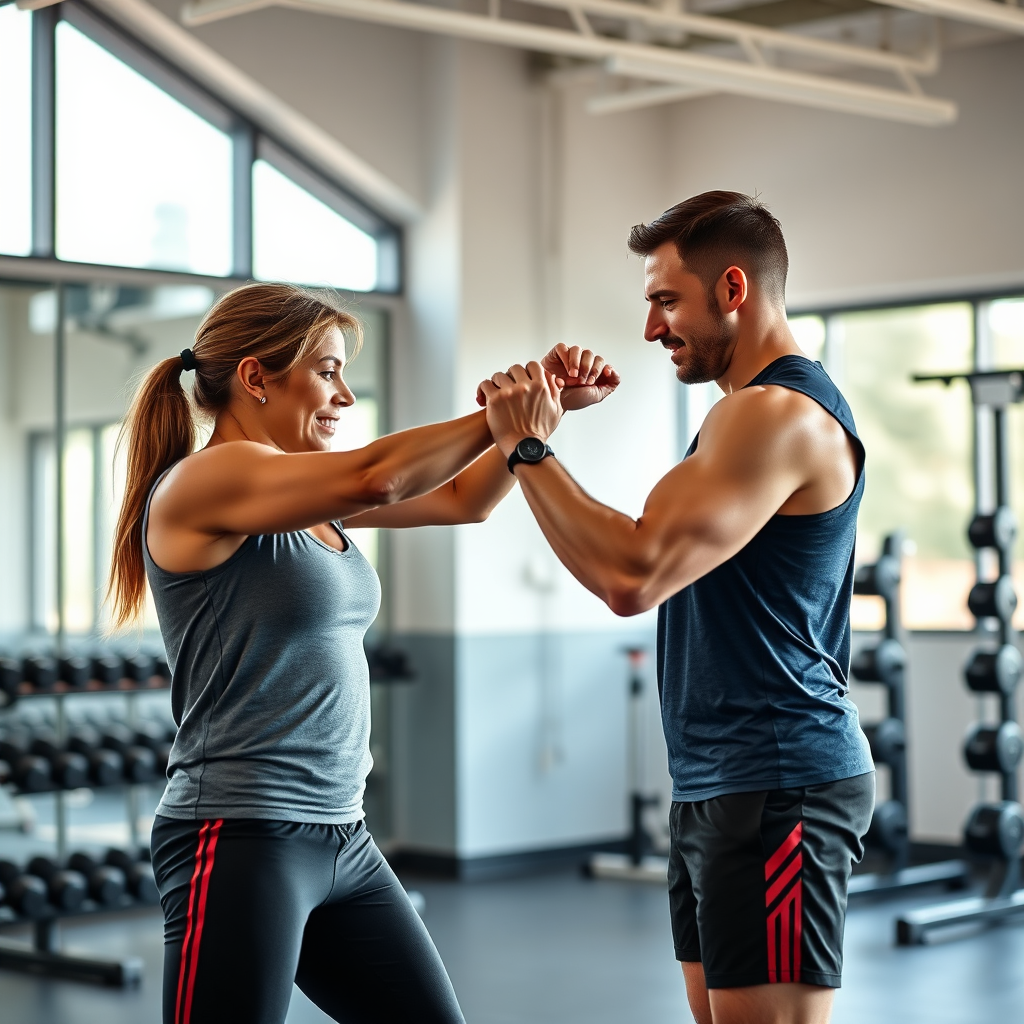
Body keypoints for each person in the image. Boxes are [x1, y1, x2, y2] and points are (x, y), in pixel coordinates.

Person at [107, 282, 618, 1024]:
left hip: (342, 835)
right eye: (327, 371)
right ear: (255, 378)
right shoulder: (207, 479)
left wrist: (543, 411)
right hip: (240, 833)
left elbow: (460, 501)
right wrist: (499, 416)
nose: (345, 395)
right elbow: (379, 474)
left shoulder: (303, 495)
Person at [477, 192, 874, 1024]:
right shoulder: (741, 418)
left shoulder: (775, 414)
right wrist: (526, 442)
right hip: (718, 779)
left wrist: (529, 445)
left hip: (780, 778)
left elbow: (632, 573)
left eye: (666, 300)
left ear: (733, 288)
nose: (652, 329)